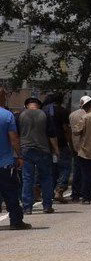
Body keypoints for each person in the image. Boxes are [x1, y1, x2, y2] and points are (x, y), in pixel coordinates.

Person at [18, 97, 57, 215]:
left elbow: (16, 134)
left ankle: (27, 207)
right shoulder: (45, 115)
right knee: (46, 178)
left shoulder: (20, 115)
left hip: (26, 149)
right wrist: (56, 150)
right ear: (38, 106)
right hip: (43, 150)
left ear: (26, 105)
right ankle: (47, 205)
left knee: (27, 178)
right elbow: (51, 134)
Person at [0, 87, 31, 230]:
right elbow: (14, 139)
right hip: (5, 164)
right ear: (3, 97)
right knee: (11, 192)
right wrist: (19, 156)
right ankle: (16, 221)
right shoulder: (7, 116)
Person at [42, 92, 71, 203]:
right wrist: (69, 142)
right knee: (65, 167)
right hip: (61, 142)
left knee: (50, 169)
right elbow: (66, 129)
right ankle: (59, 190)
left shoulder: (43, 110)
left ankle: (47, 191)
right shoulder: (62, 111)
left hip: (45, 144)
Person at [68, 95, 91, 202]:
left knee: (77, 170)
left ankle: (75, 193)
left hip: (75, 145)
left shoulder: (72, 115)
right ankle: (87, 192)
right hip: (88, 146)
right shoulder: (90, 115)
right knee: (88, 171)